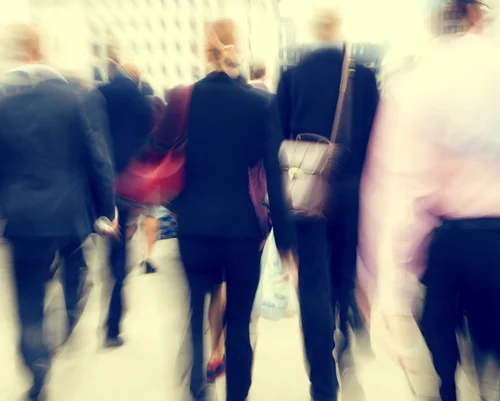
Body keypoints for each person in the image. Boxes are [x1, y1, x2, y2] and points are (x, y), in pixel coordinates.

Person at [358, 1, 500, 400]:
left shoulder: (421, 79)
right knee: (497, 344)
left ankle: (447, 388)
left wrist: (394, 287)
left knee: (441, 336)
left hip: (458, 237)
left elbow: (403, 185)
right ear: (480, 15)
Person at [149, 19, 296, 401]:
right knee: (238, 324)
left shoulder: (181, 99)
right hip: (242, 232)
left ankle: (197, 389)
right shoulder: (261, 103)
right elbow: (275, 180)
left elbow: (154, 159)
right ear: (238, 49)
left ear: (204, 51)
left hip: (195, 228)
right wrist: (285, 243)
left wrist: (178, 207)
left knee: (195, 313)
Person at [0, 24, 117, 401]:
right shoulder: (75, 98)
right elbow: (97, 158)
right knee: (74, 268)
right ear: (42, 51)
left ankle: (35, 361)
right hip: (69, 215)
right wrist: (106, 210)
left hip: (23, 218)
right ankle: (68, 314)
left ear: (21, 54)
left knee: (28, 297)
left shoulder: (7, 105)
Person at [275, 8, 379, 401]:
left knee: (313, 289)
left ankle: (323, 383)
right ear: (340, 33)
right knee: (343, 277)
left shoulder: (291, 76)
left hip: (307, 195)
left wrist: (281, 227)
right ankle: (346, 339)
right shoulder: (364, 76)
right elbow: (375, 145)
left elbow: (279, 146)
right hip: (351, 194)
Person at [97, 61, 154, 347]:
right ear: (137, 76)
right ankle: (112, 325)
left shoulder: (98, 95)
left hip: (100, 183)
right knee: (120, 252)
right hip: (128, 186)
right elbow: (148, 148)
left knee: (107, 247)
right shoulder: (142, 103)